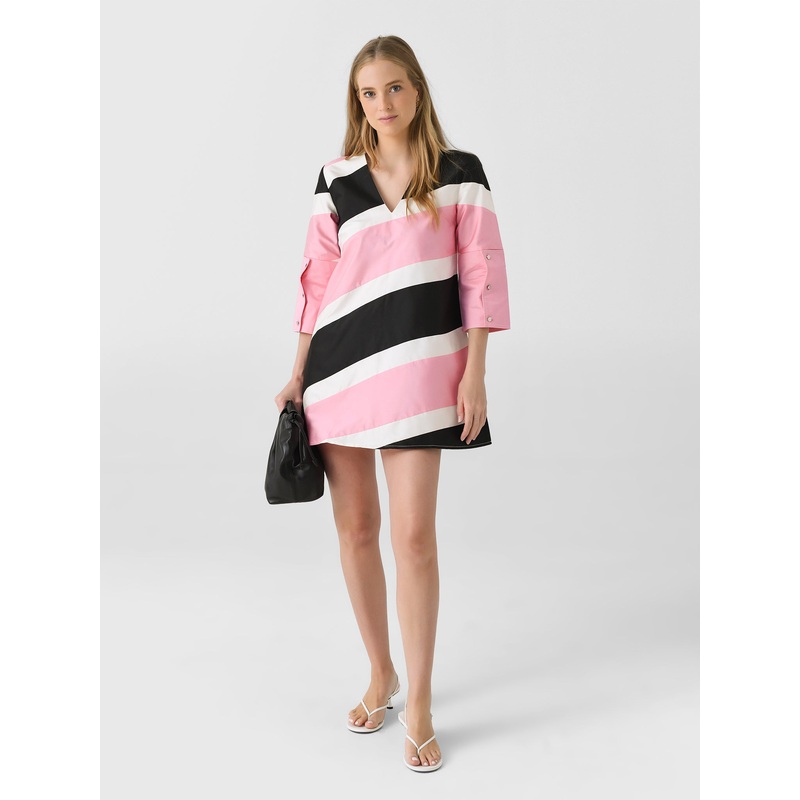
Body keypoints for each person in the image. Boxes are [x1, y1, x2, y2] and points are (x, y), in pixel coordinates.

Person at [274, 34, 511, 773]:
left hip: (419, 374)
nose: (383, 104)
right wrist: (297, 374)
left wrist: (475, 372)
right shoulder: (336, 178)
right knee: (356, 531)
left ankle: (421, 703)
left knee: (414, 540)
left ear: (418, 89)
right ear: (358, 101)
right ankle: (381, 673)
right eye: (369, 93)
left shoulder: (460, 174)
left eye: (395, 88)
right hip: (339, 373)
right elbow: (317, 282)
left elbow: (480, 275)